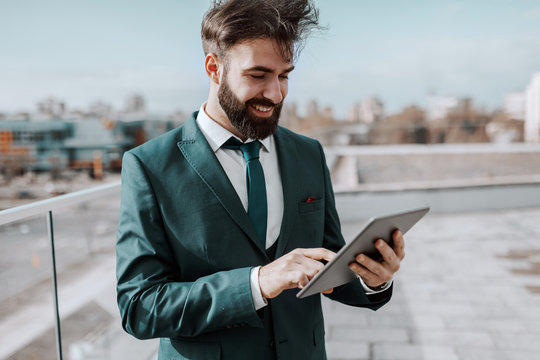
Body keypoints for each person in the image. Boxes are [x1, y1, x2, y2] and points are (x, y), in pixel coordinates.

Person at [116, 0, 405, 359]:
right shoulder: (149, 166)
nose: (276, 93)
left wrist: (373, 279)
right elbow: (139, 307)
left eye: (284, 75)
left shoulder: (308, 154)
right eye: (258, 75)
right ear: (214, 68)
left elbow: (327, 263)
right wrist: (257, 283)